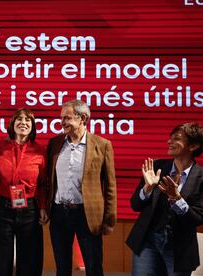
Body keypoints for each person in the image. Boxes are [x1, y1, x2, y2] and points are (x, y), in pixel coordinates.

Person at [46, 100, 117, 276]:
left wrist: (109, 220)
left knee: (93, 267)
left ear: (82, 118)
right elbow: (49, 180)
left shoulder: (102, 145)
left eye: (67, 118)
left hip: (87, 214)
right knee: (62, 267)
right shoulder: (54, 144)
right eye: (61, 118)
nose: (62, 122)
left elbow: (110, 186)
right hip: (59, 213)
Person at [126, 122, 203, 276]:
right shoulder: (156, 167)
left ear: (193, 146)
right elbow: (135, 205)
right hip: (148, 241)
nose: (169, 142)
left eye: (176, 139)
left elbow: (198, 219)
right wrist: (147, 188)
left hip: (179, 246)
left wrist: (177, 199)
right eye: (170, 138)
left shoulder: (201, 177)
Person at [0, 108, 48, 276]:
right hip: (3, 208)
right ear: (12, 124)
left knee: (30, 262)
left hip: (30, 210)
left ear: (32, 126)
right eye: (19, 119)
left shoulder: (40, 151)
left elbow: (43, 184)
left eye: (28, 120)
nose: (23, 122)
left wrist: (43, 207)